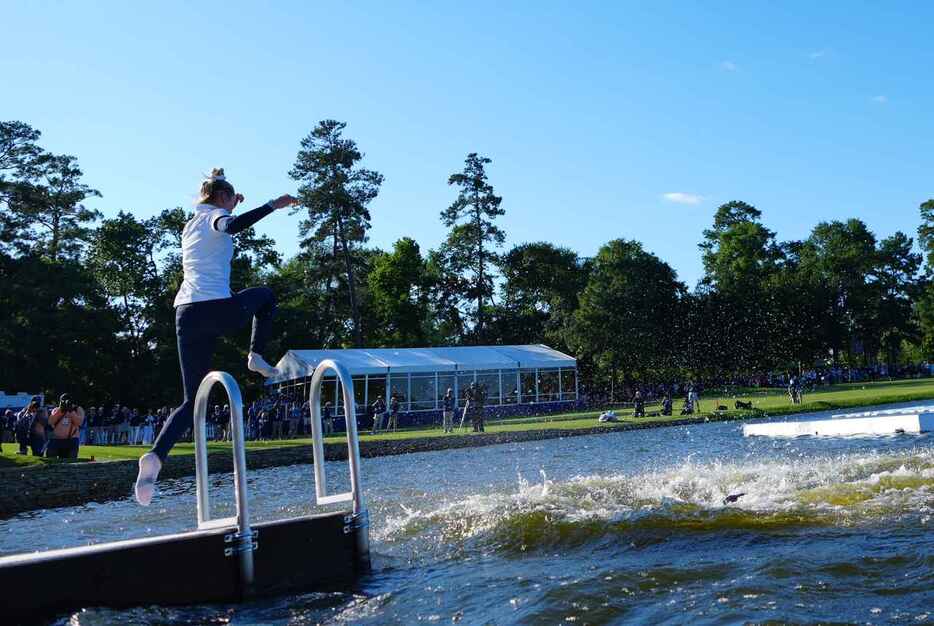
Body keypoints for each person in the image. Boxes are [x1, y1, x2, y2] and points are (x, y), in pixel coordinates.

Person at [135, 168, 298, 506]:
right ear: (221, 198)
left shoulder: (192, 222)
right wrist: (272, 205)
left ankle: (154, 459)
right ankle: (255, 355)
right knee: (266, 297)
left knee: (191, 400)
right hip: (214, 309)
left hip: (185, 316)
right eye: (230, 199)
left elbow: (220, 218)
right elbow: (229, 225)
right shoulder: (218, 217)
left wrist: (230, 201)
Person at [46, 394, 85, 459]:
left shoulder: (78, 409)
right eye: (63, 401)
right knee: (51, 460)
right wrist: (60, 411)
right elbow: (50, 422)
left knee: (70, 462)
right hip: (56, 440)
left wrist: (71, 411)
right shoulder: (56, 410)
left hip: (71, 440)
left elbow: (80, 423)